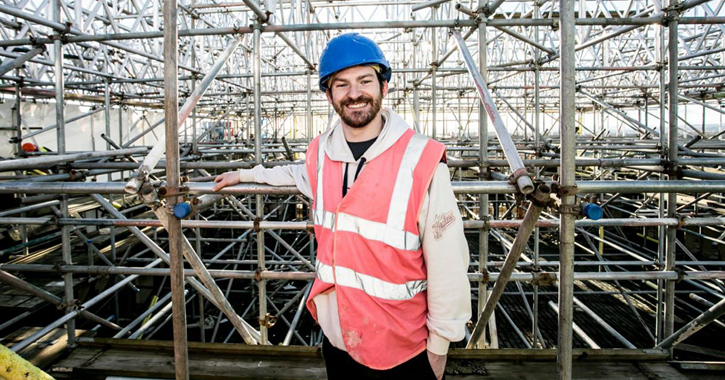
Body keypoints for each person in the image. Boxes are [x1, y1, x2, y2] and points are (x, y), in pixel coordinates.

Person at [214, 33, 471, 380]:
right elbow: (293, 173)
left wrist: (440, 346)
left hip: (403, 346)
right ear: (329, 94)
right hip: (339, 339)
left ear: (384, 86)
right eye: (341, 84)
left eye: (365, 81)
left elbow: (448, 262)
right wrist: (245, 173)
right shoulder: (321, 152)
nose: (354, 94)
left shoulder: (419, 158)